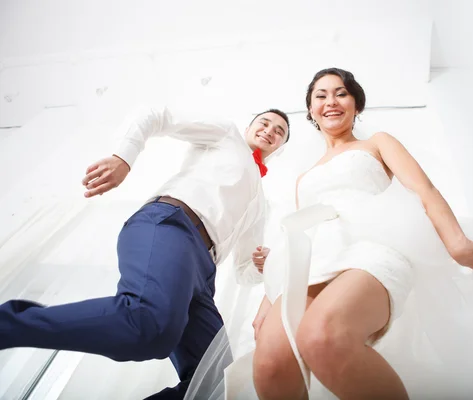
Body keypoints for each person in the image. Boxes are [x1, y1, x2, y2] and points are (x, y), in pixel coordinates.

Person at [185, 68, 473, 400]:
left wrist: (458, 245)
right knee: (270, 366)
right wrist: (269, 296)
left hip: (371, 249)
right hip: (307, 263)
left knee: (323, 337)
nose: (331, 101)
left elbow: (425, 191)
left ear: (356, 104)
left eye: (341, 92)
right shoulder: (304, 177)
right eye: (321, 95)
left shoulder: (378, 143)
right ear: (310, 111)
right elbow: (300, 234)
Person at [0, 105, 290, 399]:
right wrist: (123, 158)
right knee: (147, 325)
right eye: (265, 123)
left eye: (279, 132)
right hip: (170, 225)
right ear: (249, 126)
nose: (270, 131)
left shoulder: (260, 204)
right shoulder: (227, 135)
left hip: (202, 273)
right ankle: (6, 324)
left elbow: (244, 271)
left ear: (280, 146)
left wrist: (266, 264)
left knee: (217, 383)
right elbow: (158, 115)